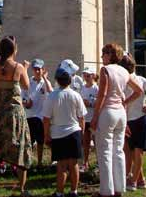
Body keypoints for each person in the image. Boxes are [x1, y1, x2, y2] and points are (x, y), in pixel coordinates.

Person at [0, 36, 32, 197]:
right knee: (20, 148)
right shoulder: (18, 67)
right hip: (13, 115)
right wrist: (24, 67)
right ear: (13, 50)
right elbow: (26, 85)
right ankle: (23, 189)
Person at [90, 44, 143, 197]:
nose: (101, 57)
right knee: (118, 151)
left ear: (110, 54)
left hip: (108, 112)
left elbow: (102, 95)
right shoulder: (124, 71)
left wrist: (95, 117)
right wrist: (124, 102)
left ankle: (106, 191)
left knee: (105, 152)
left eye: (103, 54)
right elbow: (138, 91)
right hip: (121, 113)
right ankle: (119, 188)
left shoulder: (106, 70)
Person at [42, 67, 87, 197]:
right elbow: (82, 117)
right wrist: (82, 133)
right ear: (70, 80)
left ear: (57, 80)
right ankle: (74, 191)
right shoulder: (76, 95)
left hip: (58, 133)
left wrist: (46, 135)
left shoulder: (52, 96)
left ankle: (60, 193)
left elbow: (46, 118)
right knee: (74, 164)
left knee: (61, 165)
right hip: (74, 132)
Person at [120, 55, 146, 191]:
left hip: (137, 119)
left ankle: (133, 182)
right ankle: (141, 180)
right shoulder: (140, 79)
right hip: (136, 119)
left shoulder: (127, 81)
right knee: (132, 152)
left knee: (137, 152)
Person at [23, 58, 53, 168]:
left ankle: (40, 162)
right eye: (35, 69)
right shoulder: (29, 81)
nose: (37, 71)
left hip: (40, 116)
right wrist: (26, 103)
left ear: (43, 69)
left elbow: (51, 91)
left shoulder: (45, 82)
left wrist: (45, 78)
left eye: (39, 69)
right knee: (29, 141)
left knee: (41, 141)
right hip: (30, 115)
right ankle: (28, 161)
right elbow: (23, 96)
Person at [80, 67, 99, 171]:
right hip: (85, 119)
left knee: (97, 142)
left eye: (88, 75)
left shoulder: (96, 88)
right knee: (85, 142)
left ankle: (98, 161)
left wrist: (90, 103)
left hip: (93, 118)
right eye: (85, 75)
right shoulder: (82, 88)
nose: (86, 78)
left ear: (93, 76)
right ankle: (85, 162)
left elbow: (99, 102)